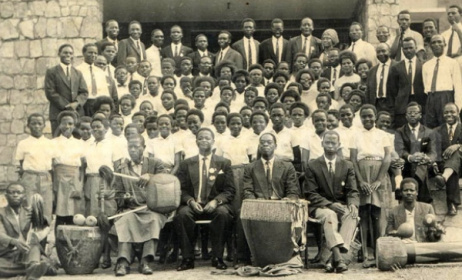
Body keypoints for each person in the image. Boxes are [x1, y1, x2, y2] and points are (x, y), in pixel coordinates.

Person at [175, 128, 235, 271]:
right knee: (182, 215)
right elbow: (180, 189)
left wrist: (216, 201)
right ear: (196, 142)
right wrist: (190, 201)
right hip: (193, 204)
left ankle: (217, 257)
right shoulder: (186, 163)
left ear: (213, 141)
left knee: (223, 214)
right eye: (200, 138)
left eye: (207, 138)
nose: (203, 140)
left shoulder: (224, 163)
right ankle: (187, 258)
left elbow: (229, 190)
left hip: (215, 205)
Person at [237, 133, 300, 264]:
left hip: (281, 205)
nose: (265, 145)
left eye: (269, 142)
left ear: (275, 146)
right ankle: (245, 257)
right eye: (262, 142)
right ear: (258, 146)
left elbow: (293, 190)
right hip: (258, 205)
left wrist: (288, 200)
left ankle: (288, 255)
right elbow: (247, 191)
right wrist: (255, 203)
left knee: (296, 212)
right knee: (241, 213)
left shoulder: (287, 166)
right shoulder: (250, 167)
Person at [305, 130, 359, 273]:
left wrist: (353, 203)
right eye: (327, 142)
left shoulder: (347, 165)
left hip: (341, 205)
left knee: (352, 214)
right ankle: (338, 257)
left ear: (339, 145)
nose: (330, 145)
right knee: (330, 216)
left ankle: (331, 259)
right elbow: (310, 193)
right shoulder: (312, 165)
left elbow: (352, 190)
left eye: (333, 143)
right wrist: (330, 204)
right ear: (322, 143)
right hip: (321, 206)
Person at [112, 135, 167, 276]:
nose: (133, 150)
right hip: (131, 209)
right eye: (130, 147)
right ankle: (123, 263)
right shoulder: (121, 168)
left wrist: (151, 176)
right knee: (125, 220)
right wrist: (124, 198)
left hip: (152, 208)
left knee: (153, 220)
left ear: (144, 148)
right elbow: (117, 193)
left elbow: (166, 181)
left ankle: (146, 262)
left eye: (136, 146)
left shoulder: (156, 164)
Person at [350, 104, 392, 268]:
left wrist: (378, 180)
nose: (367, 119)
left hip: (378, 172)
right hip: (361, 171)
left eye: (370, 116)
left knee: (378, 212)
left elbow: (387, 157)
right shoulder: (355, 135)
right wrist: (360, 181)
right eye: (364, 116)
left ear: (375, 117)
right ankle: (366, 253)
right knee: (364, 212)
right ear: (360, 118)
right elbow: (353, 159)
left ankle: (378, 252)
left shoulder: (383, 135)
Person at [0, 183, 52, 279]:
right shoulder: (1, 212)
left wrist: (39, 216)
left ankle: (33, 267)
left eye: (18, 192)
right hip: (5, 254)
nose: (15, 195)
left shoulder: (29, 213)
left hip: (26, 253)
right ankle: (33, 271)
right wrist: (14, 241)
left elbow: (44, 227)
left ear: (24, 196)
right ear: (6, 196)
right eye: (12, 192)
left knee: (34, 245)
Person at [15, 114, 54, 223]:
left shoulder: (50, 143)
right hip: (29, 177)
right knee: (28, 205)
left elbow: (53, 163)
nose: (36, 126)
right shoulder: (23, 143)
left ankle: (43, 238)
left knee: (46, 207)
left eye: (39, 123)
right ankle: (27, 236)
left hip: (45, 177)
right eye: (33, 123)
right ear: (28, 125)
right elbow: (21, 163)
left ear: (44, 126)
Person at [395, 102, 437, 203]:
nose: (412, 115)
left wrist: (427, 158)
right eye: (410, 113)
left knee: (420, 165)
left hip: (425, 164)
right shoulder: (400, 131)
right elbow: (400, 150)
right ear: (406, 116)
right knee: (416, 166)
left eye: (415, 112)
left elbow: (433, 152)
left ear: (420, 115)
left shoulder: (429, 132)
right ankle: (424, 200)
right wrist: (410, 157)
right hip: (407, 165)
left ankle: (408, 199)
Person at [45, 43, 88, 134]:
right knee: (58, 141)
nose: (68, 55)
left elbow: (84, 92)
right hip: (58, 112)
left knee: (77, 141)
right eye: (65, 53)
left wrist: (76, 103)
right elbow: (50, 92)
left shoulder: (77, 73)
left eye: (70, 53)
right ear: (59, 54)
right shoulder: (52, 72)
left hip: (77, 113)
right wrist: (67, 106)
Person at [52, 111, 85, 226]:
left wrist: (80, 183)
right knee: (60, 211)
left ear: (74, 126)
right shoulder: (53, 142)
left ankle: (72, 241)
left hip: (75, 177)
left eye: (70, 124)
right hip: (59, 177)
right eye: (64, 123)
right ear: (59, 125)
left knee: (74, 211)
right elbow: (51, 163)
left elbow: (83, 165)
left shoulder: (80, 143)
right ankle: (59, 242)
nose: (67, 126)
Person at [422, 34, 462, 128]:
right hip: (431, 98)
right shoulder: (426, 65)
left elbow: (458, 86)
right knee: (431, 127)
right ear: (430, 46)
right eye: (433, 42)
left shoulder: (452, 63)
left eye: (439, 42)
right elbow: (425, 85)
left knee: (446, 126)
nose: (436, 44)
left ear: (445, 44)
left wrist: (457, 108)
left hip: (446, 97)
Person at [388, 37, 426, 128]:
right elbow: (392, 91)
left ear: (416, 48)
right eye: (405, 48)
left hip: (420, 103)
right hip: (402, 106)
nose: (408, 50)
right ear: (402, 49)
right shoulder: (396, 67)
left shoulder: (424, 65)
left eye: (411, 48)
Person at [386, 178, 436, 242]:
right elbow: (389, 233)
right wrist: (397, 234)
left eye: (412, 190)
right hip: (403, 246)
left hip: (422, 247)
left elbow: (433, 235)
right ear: (401, 193)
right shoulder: (393, 211)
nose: (409, 193)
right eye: (405, 190)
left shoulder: (428, 208)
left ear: (417, 192)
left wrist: (436, 234)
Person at [434, 103, 462, 215]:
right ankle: (452, 204)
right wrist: (434, 163)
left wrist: (458, 146)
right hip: (443, 164)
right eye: (446, 112)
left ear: (458, 113)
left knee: (455, 154)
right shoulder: (436, 131)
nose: (449, 114)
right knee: (451, 168)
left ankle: (443, 178)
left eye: (452, 112)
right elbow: (433, 150)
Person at [76, 43, 113, 117]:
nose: (93, 55)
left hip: (98, 105)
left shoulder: (100, 71)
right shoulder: (77, 70)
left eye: (95, 53)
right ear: (84, 53)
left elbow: (105, 92)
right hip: (84, 104)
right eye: (90, 52)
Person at [365, 43, 396, 112]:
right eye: (378, 52)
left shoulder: (397, 67)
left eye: (383, 51)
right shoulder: (372, 70)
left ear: (389, 52)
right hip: (376, 105)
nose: (381, 54)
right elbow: (368, 91)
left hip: (392, 105)